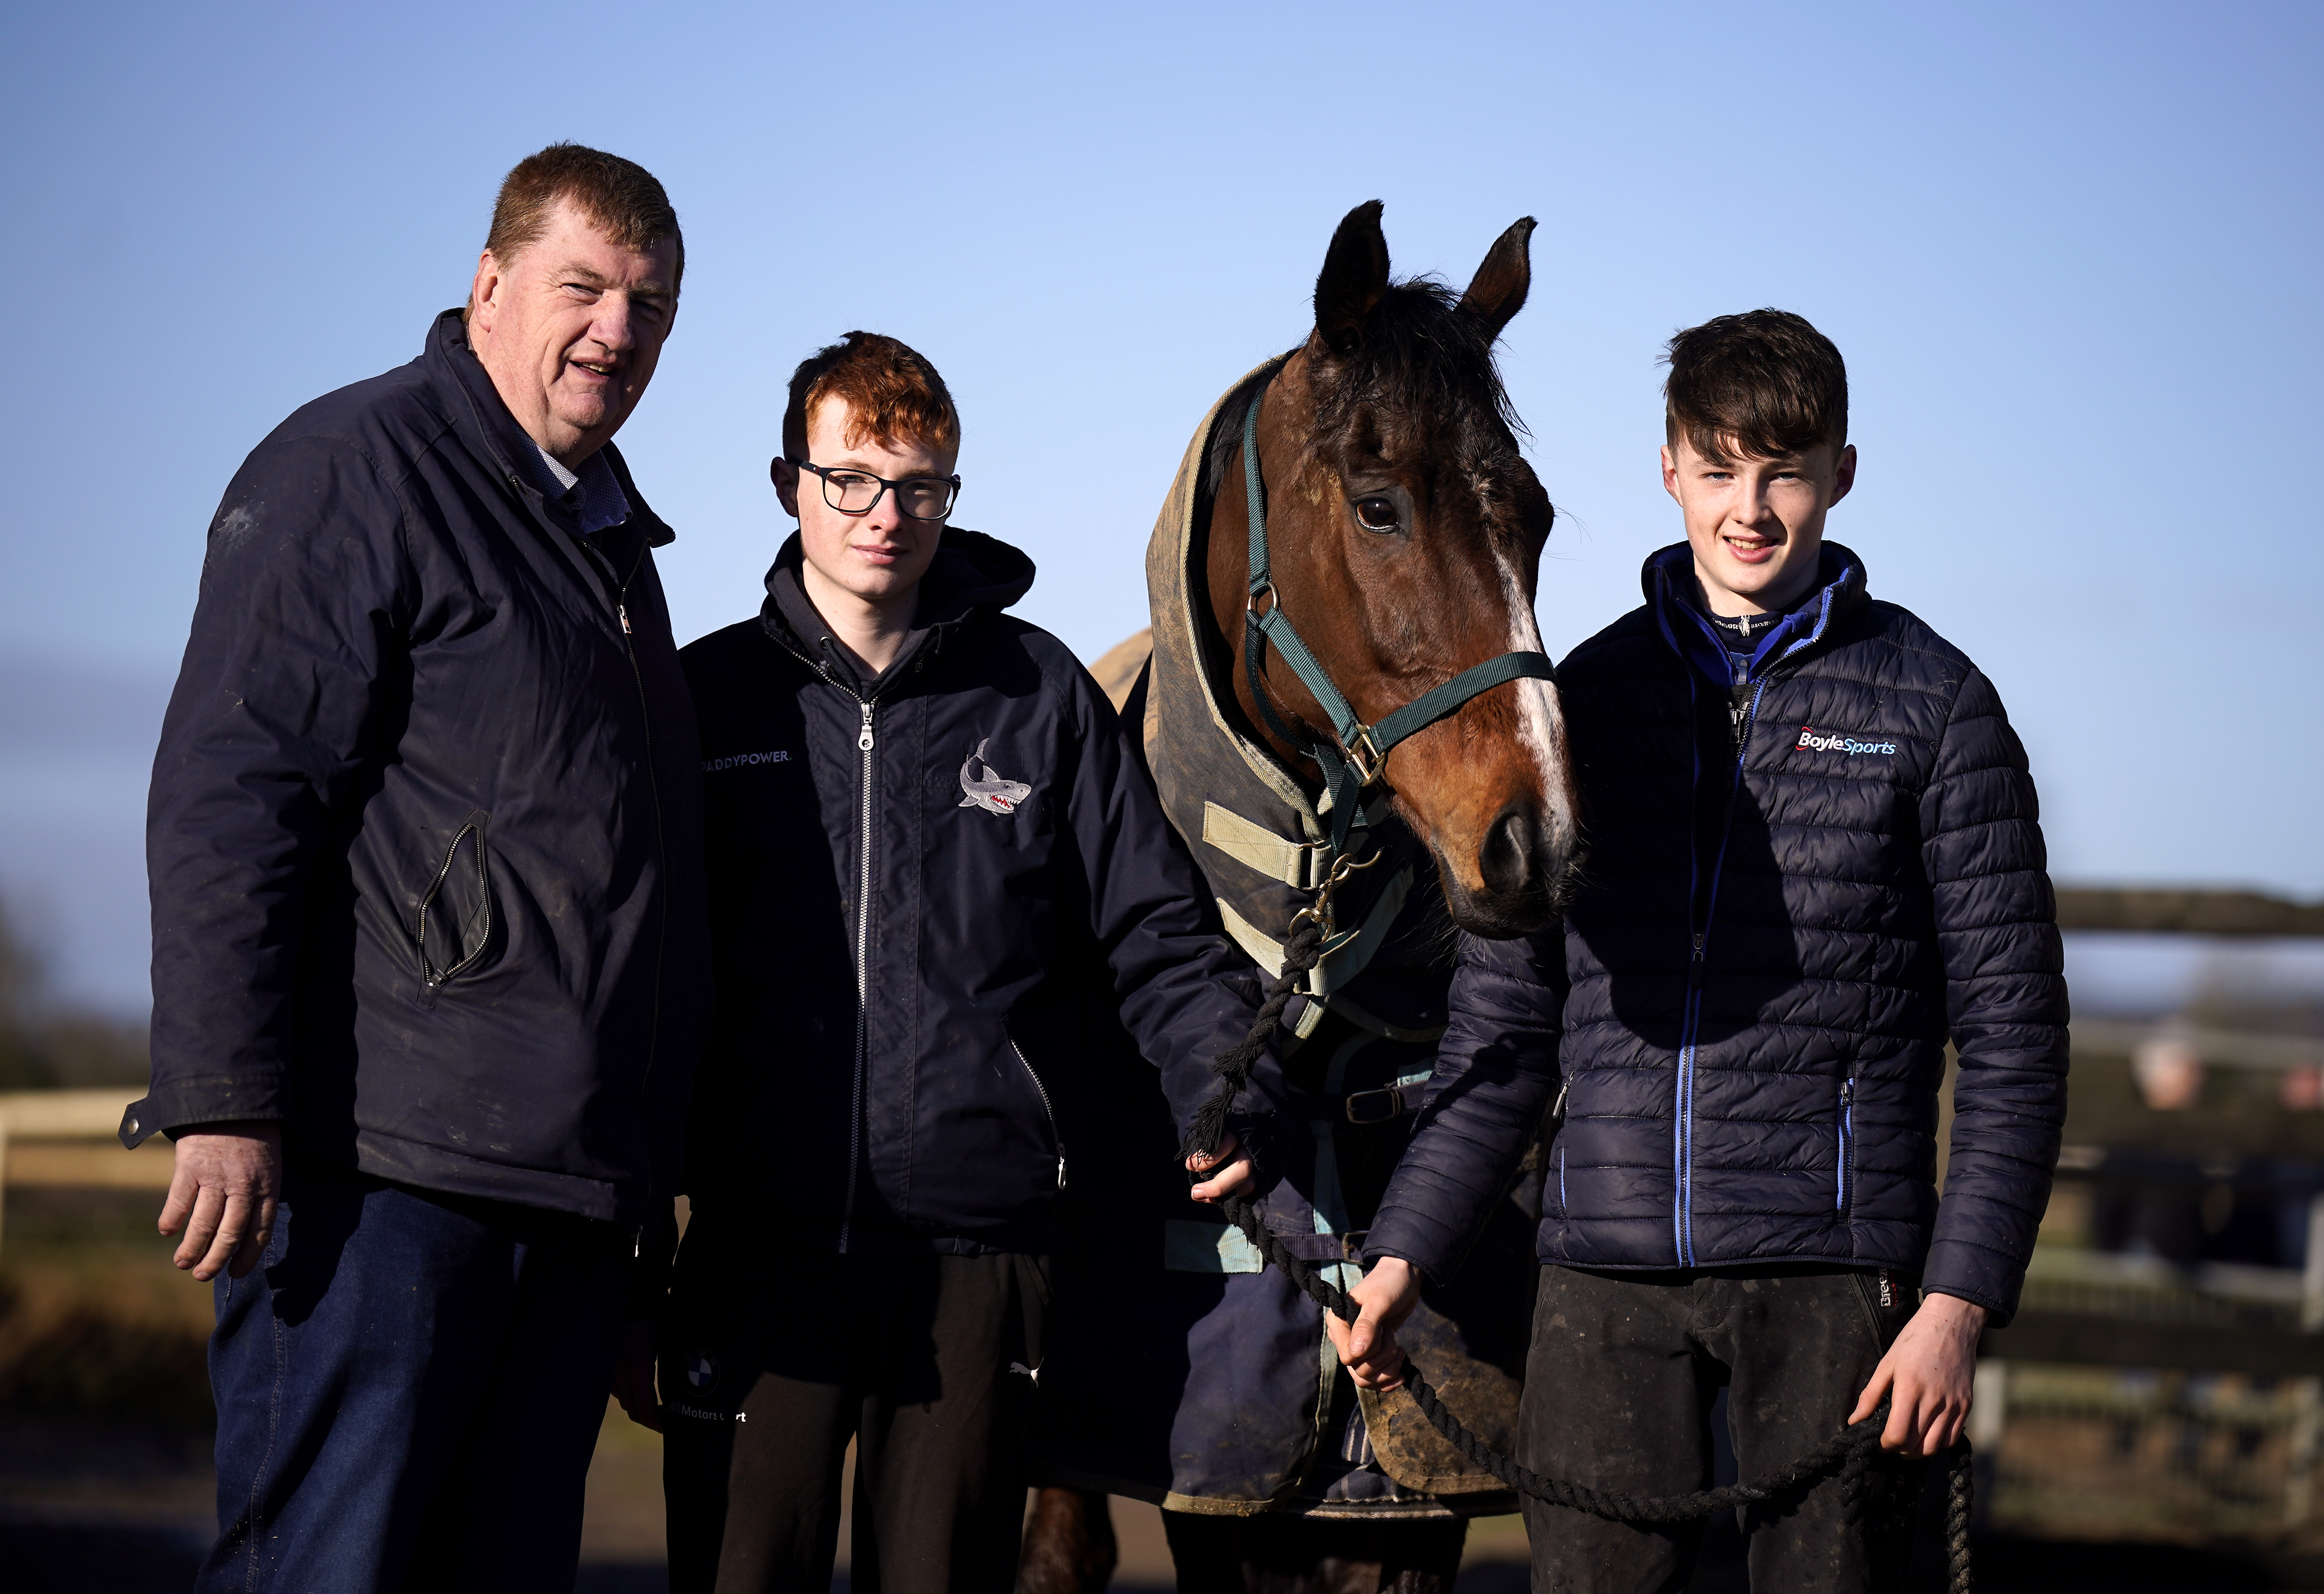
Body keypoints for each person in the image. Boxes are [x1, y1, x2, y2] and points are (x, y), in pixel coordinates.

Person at [1330, 309, 2070, 1591]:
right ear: (1669, 466)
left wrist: (1956, 1306)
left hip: (1839, 1293)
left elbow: (2015, 1041)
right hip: (1604, 1286)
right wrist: (1404, 1250)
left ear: (1841, 472)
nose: (1751, 509)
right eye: (1719, 468)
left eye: (1785, 470)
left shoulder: (1940, 707)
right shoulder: (1583, 704)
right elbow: (1505, 1030)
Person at [121, 144, 706, 1593]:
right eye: (584, 287)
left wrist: (643, 1198)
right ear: (490, 285)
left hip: (564, 1199)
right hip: (373, 1181)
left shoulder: (614, 542)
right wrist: (225, 1097)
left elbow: (638, 890)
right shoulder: (352, 468)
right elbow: (232, 787)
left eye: (651, 305)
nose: (616, 332)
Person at [658, 331, 1269, 1594]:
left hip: (979, 1257)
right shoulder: (707, 699)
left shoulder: (1035, 691)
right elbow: (637, 961)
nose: (887, 514)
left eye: (921, 485)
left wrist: (1219, 1079)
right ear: (790, 484)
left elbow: (1155, 931)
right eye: (852, 480)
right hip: (758, 1248)